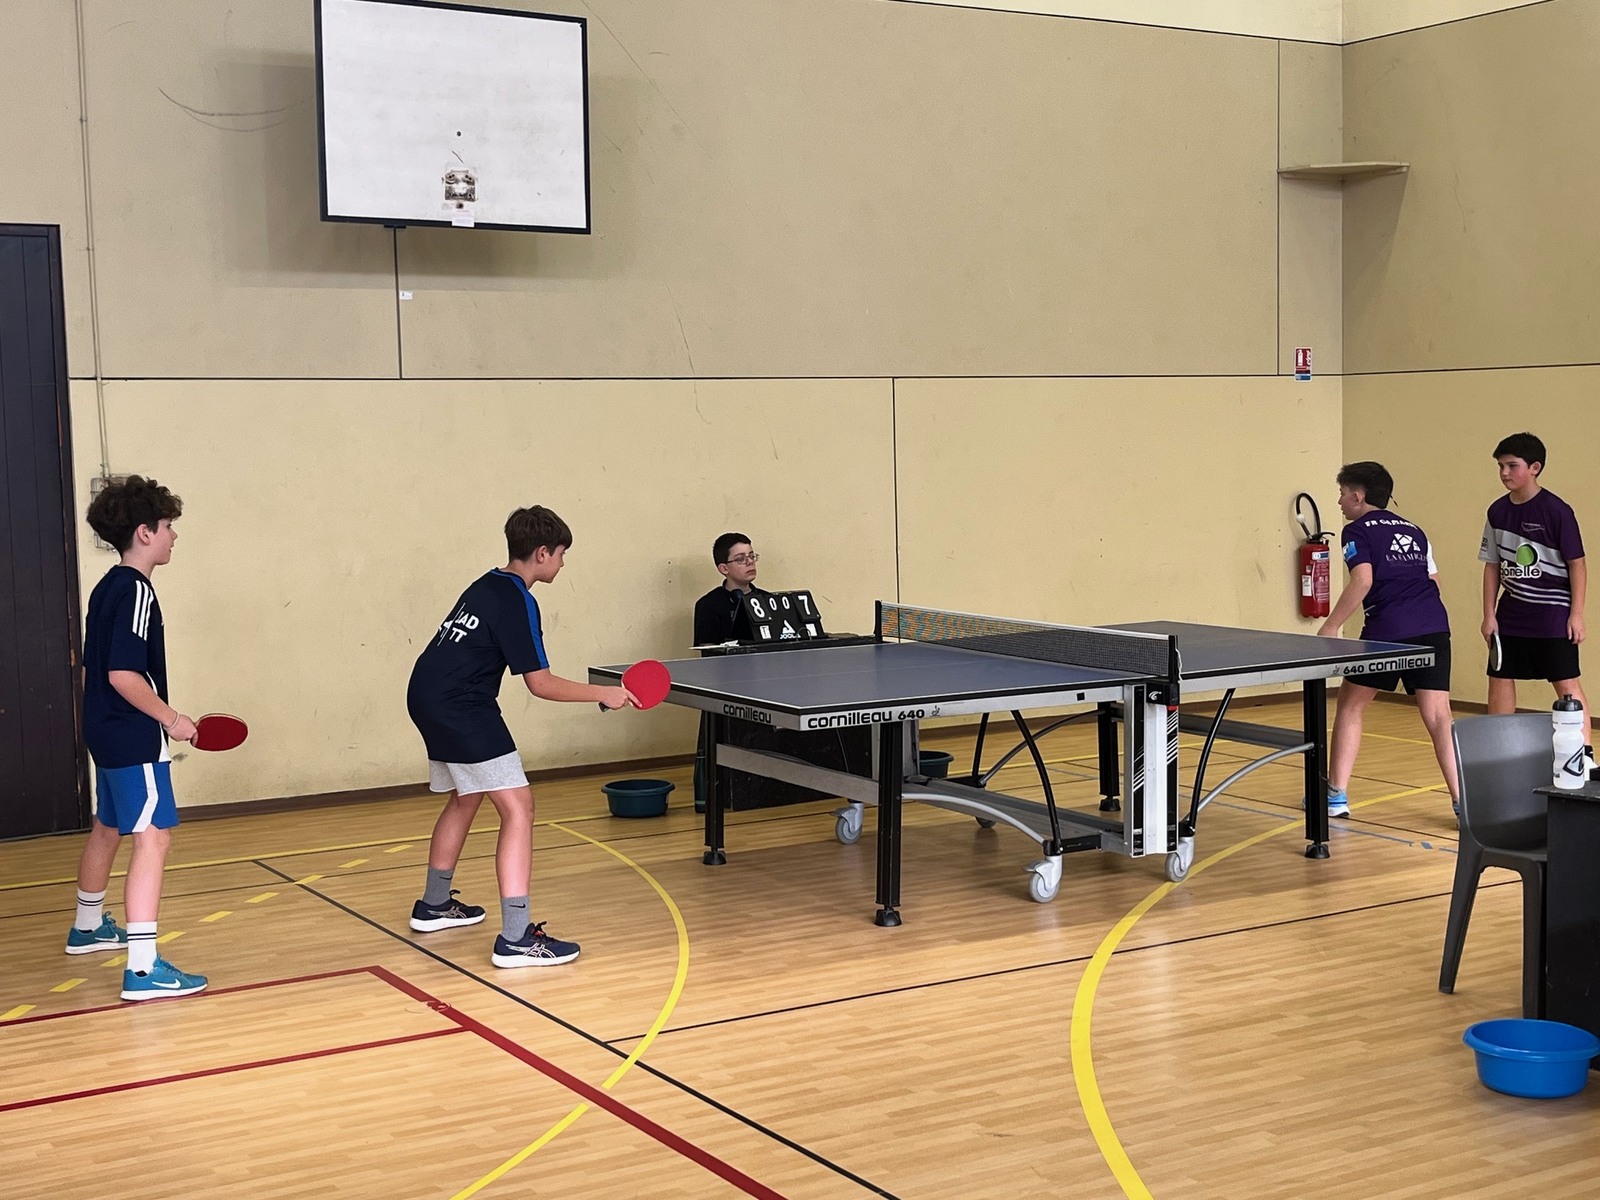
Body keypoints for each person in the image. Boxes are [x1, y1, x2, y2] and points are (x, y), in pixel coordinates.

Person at [406, 505, 635, 969]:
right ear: (542, 552)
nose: (563, 564)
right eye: (562, 554)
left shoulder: (485, 584)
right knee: (519, 808)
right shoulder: (517, 599)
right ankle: (515, 938)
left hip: (426, 695)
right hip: (462, 706)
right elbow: (540, 683)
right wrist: (605, 693)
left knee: (466, 796)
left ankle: (434, 905)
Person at [68, 475, 208, 1001]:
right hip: (132, 733)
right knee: (154, 837)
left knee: (109, 826)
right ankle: (144, 970)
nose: (174, 536)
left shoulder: (107, 587)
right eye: (168, 526)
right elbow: (123, 674)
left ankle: (88, 926)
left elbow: (92, 672)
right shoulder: (137, 590)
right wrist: (172, 720)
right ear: (145, 533)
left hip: (103, 730)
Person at [1317, 462, 1459, 817]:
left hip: (1387, 633)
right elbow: (1435, 582)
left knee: (1351, 704)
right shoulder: (1415, 530)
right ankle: (1464, 804)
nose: (1339, 501)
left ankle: (1335, 796)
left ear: (1358, 496)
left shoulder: (1355, 530)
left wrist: (1331, 626)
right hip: (1434, 627)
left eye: (1342, 494)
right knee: (1440, 716)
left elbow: (1362, 580)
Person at [1479, 431, 1592, 768]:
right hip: (1511, 615)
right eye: (1500, 466)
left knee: (1566, 682)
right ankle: (1500, 754)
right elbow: (1492, 566)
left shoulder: (1557, 510)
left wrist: (1576, 614)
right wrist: (1488, 614)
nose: (1504, 473)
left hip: (1552, 613)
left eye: (1512, 466)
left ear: (1535, 468)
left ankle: (1584, 756)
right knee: (1500, 679)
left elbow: (1577, 564)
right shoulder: (1497, 511)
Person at [692, 532, 769, 644]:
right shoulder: (709, 604)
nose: (750, 562)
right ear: (724, 568)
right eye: (741, 559)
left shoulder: (767, 599)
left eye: (752, 556)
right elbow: (708, 649)